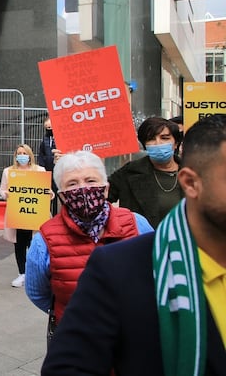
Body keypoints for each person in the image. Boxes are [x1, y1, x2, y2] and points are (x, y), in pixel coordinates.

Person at [42, 114, 226, 375]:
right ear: (191, 183)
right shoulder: (119, 271)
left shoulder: (134, 228)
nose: (84, 190)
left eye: (165, 138)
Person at [25, 150, 153, 327]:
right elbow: (37, 293)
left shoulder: (137, 224)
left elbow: (156, 275)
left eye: (91, 181)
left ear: (106, 188)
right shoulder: (44, 241)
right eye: (72, 184)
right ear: (62, 195)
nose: (83, 189)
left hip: (133, 334)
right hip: (77, 338)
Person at [107, 116, 183, 228]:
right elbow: (99, 198)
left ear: (176, 143)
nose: (158, 143)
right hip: (143, 242)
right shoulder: (129, 172)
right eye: (151, 139)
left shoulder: (194, 173)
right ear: (145, 145)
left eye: (165, 138)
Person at [0, 144, 47, 288]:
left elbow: (47, 191)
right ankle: (22, 273)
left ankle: (35, 275)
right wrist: (5, 194)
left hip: (34, 214)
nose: (22, 155)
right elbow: (2, 190)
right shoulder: (8, 172)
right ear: (15, 156)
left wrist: (48, 195)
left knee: (35, 245)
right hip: (17, 214)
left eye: (24, 153)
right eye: (19, 153)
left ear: (30, 155)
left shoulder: (40, 171)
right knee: (19, 244)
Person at [37, 117, 59, 215]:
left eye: (50, 127)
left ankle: (55, 215)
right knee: (47, 194)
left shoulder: (60, 139)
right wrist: (41, 167)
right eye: (47, 127)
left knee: (57, 193)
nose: (48, 130)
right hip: (46, 171)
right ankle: (46, 215)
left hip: (58, 171)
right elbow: (41, 154)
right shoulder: (45, 139)